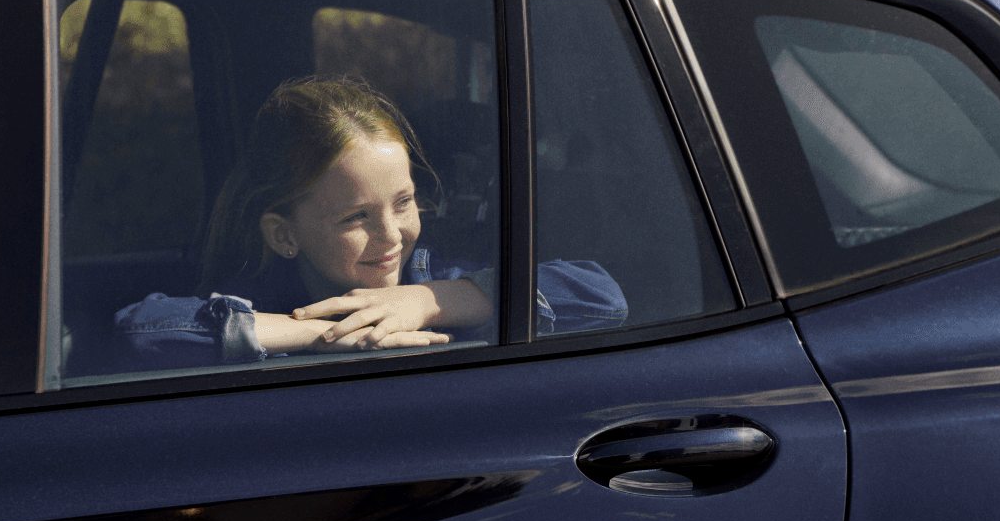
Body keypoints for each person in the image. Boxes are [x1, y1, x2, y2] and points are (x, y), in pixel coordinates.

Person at [114, 76, 624, 367]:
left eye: (403, 202)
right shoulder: (262, 302)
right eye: (356, 216)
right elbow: (144, 329)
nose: (391, 237)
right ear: (284, 235)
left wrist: (430, 300)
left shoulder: (432, 278)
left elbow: (603, 298)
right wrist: (333, 335)